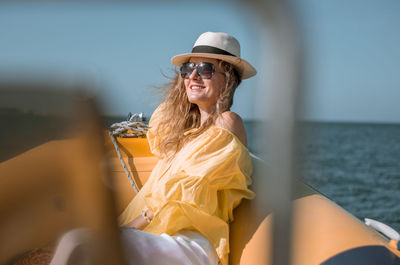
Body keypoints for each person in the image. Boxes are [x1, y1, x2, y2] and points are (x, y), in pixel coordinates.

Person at [51, 31, 257, 265]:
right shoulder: (187, 133)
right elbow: (161, 131)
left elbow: (184, 192)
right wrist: (184, 89)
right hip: (161, 236)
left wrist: (132, 224)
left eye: (205, 69)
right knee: (76, 240)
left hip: (188, 242)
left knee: (78, 243)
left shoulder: (227, 122)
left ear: (228, 79)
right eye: (188, 70)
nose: (194, 76)